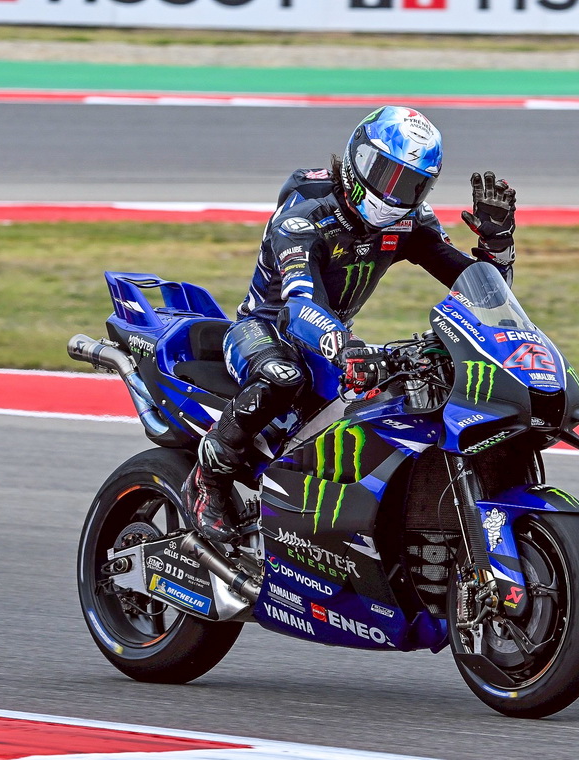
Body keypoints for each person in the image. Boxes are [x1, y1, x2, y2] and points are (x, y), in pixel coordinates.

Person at [183, 105, 518, 542]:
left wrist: (497, 246)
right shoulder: (306, 210)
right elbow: (300, 305)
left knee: (390, 405)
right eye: (386, 175)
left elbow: (483, 294)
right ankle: (208, 480)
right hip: (266, 329)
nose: (395, 194)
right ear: (359, 158)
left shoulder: (410, 221)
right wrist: (345, 348)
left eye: (411, 184)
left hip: (333, 341)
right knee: (283, 377)